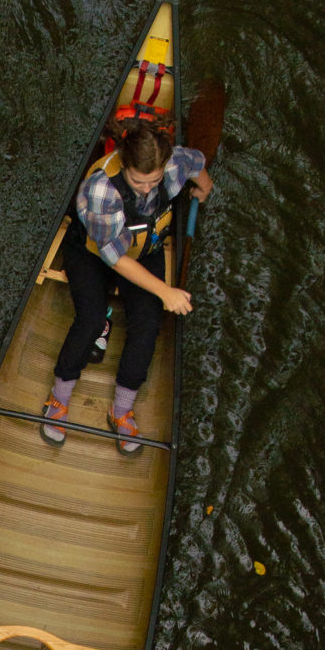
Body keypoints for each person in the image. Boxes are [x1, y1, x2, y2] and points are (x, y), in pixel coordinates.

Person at [41, 117, 212, 455]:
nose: (147, 188)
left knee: (148, 325)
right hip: (95, 253)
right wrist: (165, 291)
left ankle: (121, 409)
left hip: (144, 248)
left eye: (155, 180)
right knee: (88, 321)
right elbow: (116, 260)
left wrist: (203, 188)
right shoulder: (101, 188)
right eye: (138, 181)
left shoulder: (174, 161)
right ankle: (58, 398)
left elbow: (198, 163)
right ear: (124, 161)